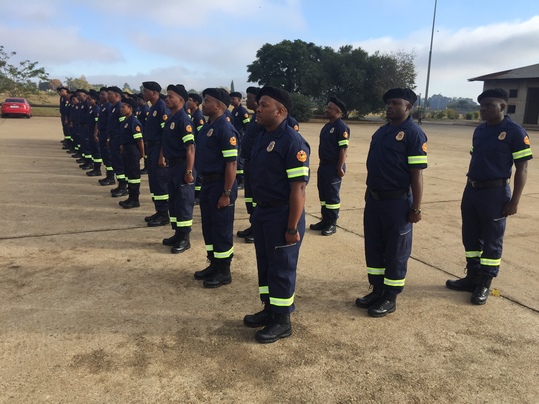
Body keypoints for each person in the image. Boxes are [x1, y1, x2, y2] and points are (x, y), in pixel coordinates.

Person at [446, 88, 532, 304]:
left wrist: (514, 201)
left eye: (489, 106)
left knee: (492, 239)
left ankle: (485, 282)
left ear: (502, 106)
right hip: (472, 190)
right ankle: (472, 277)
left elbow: (522, 169)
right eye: (481, 106)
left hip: (495, 192)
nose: (483, 110)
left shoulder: (515, 132)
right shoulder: (480, 131)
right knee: (470, 235)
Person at [243, 86, 310, 344]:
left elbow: (298, 188)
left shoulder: (293, 142)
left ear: (280, 111)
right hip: (264, 211)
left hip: (283, 214)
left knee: (281, 268)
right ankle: (270, 309)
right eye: (258, 104)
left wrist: (292, 227)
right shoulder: (262, 136)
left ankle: (282, 321)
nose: (258, 109)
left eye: (265, 105)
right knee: (266, 264)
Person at [355, 88, 428, 318]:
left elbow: (417, 174)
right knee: (374, 246)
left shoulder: (414, 134)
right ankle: (377, 289)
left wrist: (416, 207)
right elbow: (374, 167)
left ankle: (390, 296)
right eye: (388, 103)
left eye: (396, 103)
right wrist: (368, 191)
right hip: (374, 200)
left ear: (408, 107)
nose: (390, 106)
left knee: (396, 250)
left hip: (397, 202)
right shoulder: (381, 132)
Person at [193, 88, 238, 288]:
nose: (203, 104)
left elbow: (231, 164)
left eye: (207, 101)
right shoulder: (207, 127)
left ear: (219, 105)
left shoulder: (225, 129)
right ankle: (213, 264)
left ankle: (224, 271)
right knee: (209, 226)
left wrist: (226, 193)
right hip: (207, 183)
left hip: (221, 184)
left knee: (221, 228)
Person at [160, 84, 196, 254]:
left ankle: (185, 238)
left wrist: (188, 171)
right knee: (174, 201)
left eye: (171, 96)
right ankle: (177, 233)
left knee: (183, 202)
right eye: (167, 96)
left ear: (181, 100)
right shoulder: (171, 118)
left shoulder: (184, 120)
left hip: (182, 165)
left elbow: (190, 148)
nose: (167, 99)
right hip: (172, 166)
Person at [310, 96, 350, 236]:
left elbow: (343, 149)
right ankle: (325, 219)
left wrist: (340, 167)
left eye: (329, 108)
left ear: (338, 111)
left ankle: (332, 223)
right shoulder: (327, 126)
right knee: (323, 194)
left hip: (334, 166)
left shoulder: (341, 127)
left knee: (332, 196)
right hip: (324, 165)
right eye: (327, 107)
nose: (326, 110)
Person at [142, 81, 171, 227]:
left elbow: (165, 134)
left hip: (159, 148)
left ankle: (164, 214)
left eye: (146, 91)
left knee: (160, 182)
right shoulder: (153, 107)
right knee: (153, 181)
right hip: (152, 148)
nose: (143, 93)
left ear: (154, 93)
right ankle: (159, 210)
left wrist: (162, 155)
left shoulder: (161, 107)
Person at [236, 86, 262, 244]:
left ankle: (258, 228)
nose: (248, 101)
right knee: (250, 198)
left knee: (257, 199)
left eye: (250, 98)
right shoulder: (255, 117)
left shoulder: (262, 119)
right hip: (248, 163)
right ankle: (253, 225)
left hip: (257, 164)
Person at [117, 97, 145, 208]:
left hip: (133, 150)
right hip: (126, 150)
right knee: (129, 175)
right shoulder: (126, 121)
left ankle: (135, 200)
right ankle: (130, 197)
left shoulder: (134, 122)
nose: (121, 109)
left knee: (134, 176)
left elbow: (139, 140)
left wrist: (142, 153)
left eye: (123, 107)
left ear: (130, 108)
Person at [107, 86, 128, 197]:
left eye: (110, 94)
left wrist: (121, 141)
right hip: (113, 138)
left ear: (116, 95)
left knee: (119, 163)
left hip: (118, 138)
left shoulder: (120, 107)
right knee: (115, 162)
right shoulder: (113, 107)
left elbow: (122, 125)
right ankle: (120, 185)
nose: (108, 96)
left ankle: (123, 187)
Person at [187, 92, 206, 204]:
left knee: (198, 172)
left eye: (190, 100)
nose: (187, 102)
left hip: (197, 147)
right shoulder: (192, 115)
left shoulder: (198, 116)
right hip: (194, 147)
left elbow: (201, 134)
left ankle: (198, 195)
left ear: (196, 103)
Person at [230, 91, 250, 189]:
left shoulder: (242, 111)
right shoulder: (234, 111)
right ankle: (237, 179)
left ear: (239, 99)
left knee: (240, 159)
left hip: (240, 137)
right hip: (235, 138)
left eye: (233, 99)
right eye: (231, 99)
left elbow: (247, 126)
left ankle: (242, 180)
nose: (231, 101)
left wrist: (244, 137)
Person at [97, 87, 115, 185]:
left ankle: (111, 177)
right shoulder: (103, 106)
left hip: (106, 133)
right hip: (102, 133)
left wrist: (108, 136)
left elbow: (110, 123)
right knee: (104, 155)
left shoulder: (109, 107)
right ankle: (108, 175)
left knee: (108, 156)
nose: (101, 96)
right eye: (100, 94)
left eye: (103, 94)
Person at [85, 90, 102, 176]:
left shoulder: (96, 109)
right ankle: (94, 167)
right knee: (92, 149)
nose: (88, 101)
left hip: (95, 132)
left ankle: (97, 169)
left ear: (94, 100)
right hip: (90, 131)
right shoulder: (91, 108)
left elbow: (97, 122)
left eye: (90, 99)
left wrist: (95, 134)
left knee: (96, 150)